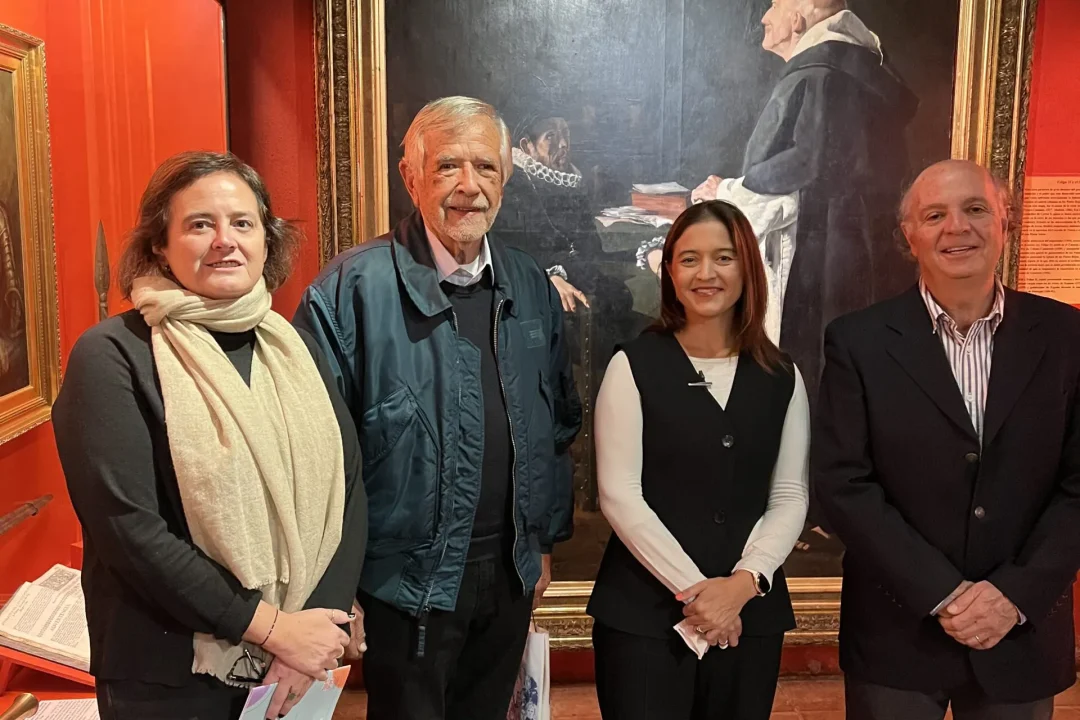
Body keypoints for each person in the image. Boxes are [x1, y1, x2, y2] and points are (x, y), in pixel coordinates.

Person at [292, 96, 582, 720]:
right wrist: (338, 588)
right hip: (403, 588)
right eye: (448, 166)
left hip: (509, 573)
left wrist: (543, 547)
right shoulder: (348, 294)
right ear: (411, 176)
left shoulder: (529, 284)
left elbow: (554, 425)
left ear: (505, 179)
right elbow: (314, 463)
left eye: (486, 167)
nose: (469, 188)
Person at [52, 151, 367, 720]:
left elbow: (347, 485)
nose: (226, 240)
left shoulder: (293, 347)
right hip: (168, 675)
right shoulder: (110, 356)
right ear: (158, 245)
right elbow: (132, 533)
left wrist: (317, 626)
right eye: (200, 224)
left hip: (292, 668)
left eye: (243, 223)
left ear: (266, 240)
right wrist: (275, 630)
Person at [815, 159, 1080, 719]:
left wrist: (1013, 597)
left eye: (976, 209)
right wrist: (946, 593)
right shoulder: (856, 342)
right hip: (897, 634)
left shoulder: (1068, 337)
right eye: (935, 214)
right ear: (908, 235)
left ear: (1006, 221)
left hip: (1022, 632)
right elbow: (844, 484)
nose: (957, 227)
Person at [587, 200, 809, 720]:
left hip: (750, 619)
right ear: (669, 272)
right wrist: (703, 599)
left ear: (748, 268)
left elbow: (790, 495)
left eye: (723, 258)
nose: (705, 273)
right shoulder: (633, 366)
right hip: (644, 621)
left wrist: (743, 584)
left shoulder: (783, 376)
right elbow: (620, 495)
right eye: (689, 259)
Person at [691, 0, 917, 407]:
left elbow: (809, 161)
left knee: (817, 369)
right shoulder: (852, 67)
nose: (763, 18)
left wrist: (731, 189)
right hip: (856, 241)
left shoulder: (824, 71)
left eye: (775, 6)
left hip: (825, 247)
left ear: (798, 18)